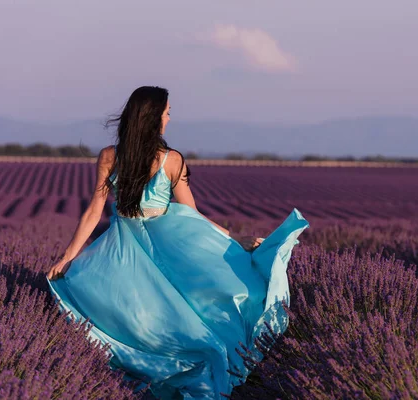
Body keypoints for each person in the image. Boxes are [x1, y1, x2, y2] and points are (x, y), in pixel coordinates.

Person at [45, 86, 309, 399]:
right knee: (151, 318)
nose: (169, 118)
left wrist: (235, 239)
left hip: (147, 247)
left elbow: (187, 216)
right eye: (167, 112)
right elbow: (99, 211)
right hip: (144, 246)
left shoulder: (143, 159)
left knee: (159, 318)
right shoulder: (137, 159)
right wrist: (67, 258)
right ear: (153, 117)